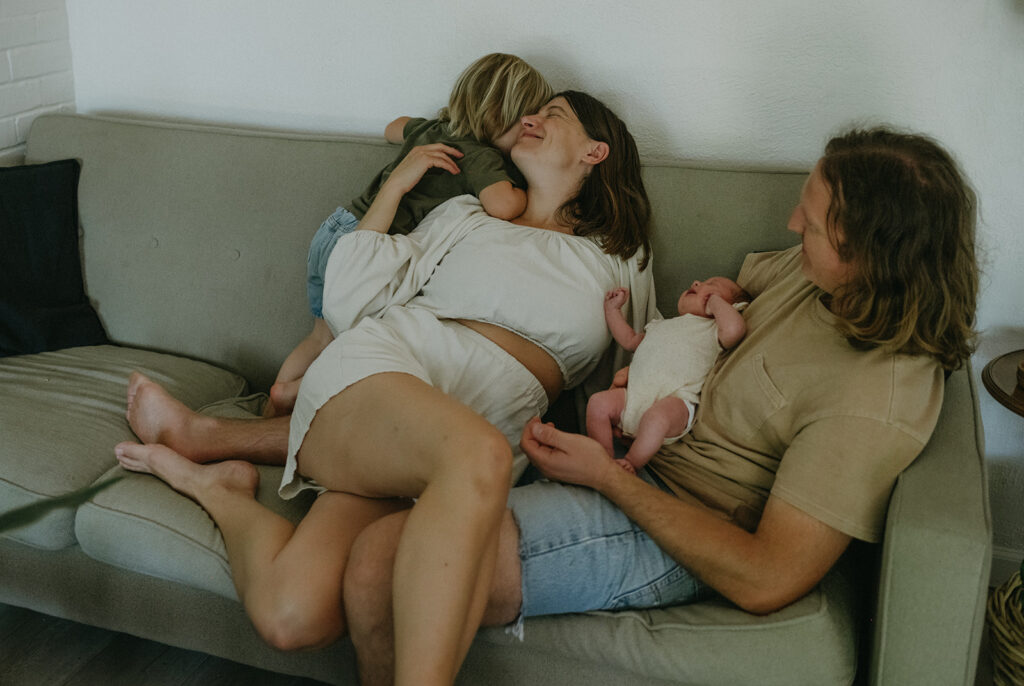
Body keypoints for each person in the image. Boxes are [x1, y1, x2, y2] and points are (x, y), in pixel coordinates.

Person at [342, 126, 979, 685]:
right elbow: (732, 295)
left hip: (680, 522)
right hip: (638, 453)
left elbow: (766, 577)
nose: (791, 224)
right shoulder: (820, 283)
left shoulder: (873, 399)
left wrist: (604, 476)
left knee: (382, 564)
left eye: (811, 224)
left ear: (873, 256)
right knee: (380, 543)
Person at [114, 90, 655, 686]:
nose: (532, 118)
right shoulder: (464, 217)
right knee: (474, 454)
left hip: (462, 439)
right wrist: (397, 185)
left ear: (595, 151)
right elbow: (352, 302)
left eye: (553, 115)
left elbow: (635, 367)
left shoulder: (620, 254)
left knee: (292, 614)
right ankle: (211, 439)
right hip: (388, 370)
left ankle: (217, 487)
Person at [265, 53, 554, 417]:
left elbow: (393, 126)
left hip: (337, 228)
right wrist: (532, 188)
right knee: (349, 350)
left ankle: (271, 406)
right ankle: (295, 400)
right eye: (527, 122)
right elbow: (504, 206)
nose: (530, 130)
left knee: (318, 338)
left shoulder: (432, 129)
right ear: (502, 116)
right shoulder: (482, 158)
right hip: (368, 251)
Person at [588, 277, 749, 474]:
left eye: (712, 285)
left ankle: (631, 462)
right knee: (597, 403)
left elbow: (735, 329)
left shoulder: (713, 330)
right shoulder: (661, 325)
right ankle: (603, 455)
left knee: (656, 419)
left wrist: (714, 302)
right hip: (632, 397)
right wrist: (612, 310)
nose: (697, 282)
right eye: (701, 283)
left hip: (677, 401)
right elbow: (629, 340)